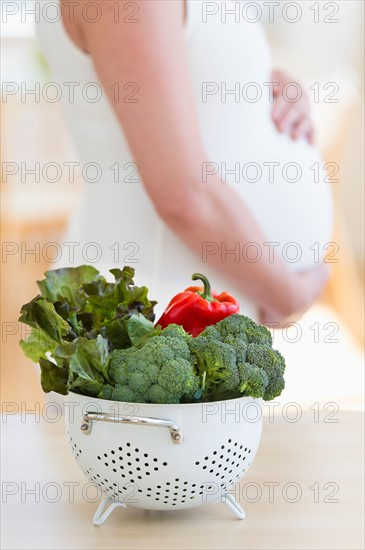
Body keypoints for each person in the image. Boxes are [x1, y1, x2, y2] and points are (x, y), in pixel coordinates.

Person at [36, 0, 333, 326]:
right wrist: (290, 296)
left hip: (187, 309)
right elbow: (183, 194)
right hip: (155, 315)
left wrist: (263, 85)